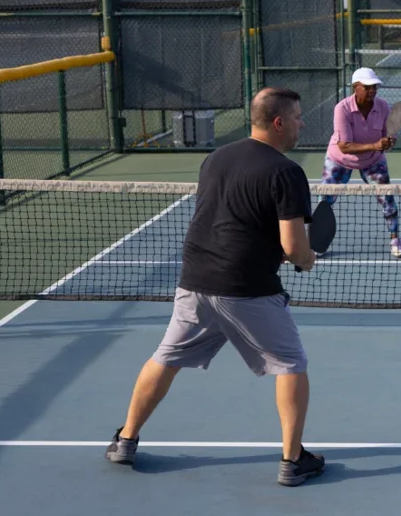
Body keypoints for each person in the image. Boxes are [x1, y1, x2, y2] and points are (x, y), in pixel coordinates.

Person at [104, 87, 325, 487]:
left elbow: (231, 219)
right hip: (246, 289)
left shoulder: (215, 158)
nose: (301, 123)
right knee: (291, 363)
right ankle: (293, 461)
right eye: (296, 117)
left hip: (196, 279)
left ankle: (125, 439)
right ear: (278, 123)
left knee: (166, 357)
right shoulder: (286, 172)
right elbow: (294, 247)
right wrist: (305, 259)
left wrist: (272, 251)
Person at [322, 67, 401, 258]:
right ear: (355, 88)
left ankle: (395, 240)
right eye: (367, 87)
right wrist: (376, 144)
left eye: (374, 87)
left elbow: (386, 139)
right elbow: (345, 146)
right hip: (339, 160)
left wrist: (389, 142)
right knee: (324, 203)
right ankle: (318, 242)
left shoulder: (383, 106)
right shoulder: (342, 109)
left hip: (373, 160)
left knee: (388, 200)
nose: (372, 90)